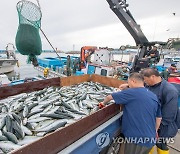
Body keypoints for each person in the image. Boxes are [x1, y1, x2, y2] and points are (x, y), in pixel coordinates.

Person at [99, 73, 162, 154]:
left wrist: (103, 103)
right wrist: (155, 131)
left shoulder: (131, 93)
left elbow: (109, 97)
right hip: (150, 139)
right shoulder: (153, 96)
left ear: (133, 81)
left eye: (128, 82)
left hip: (136, 140)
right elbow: (159, 118)